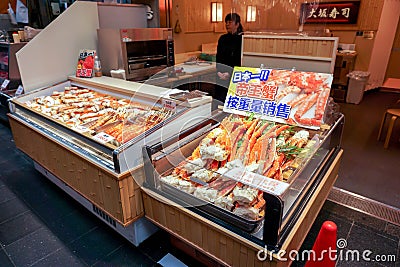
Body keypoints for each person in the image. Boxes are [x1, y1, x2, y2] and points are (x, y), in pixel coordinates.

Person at [214, 12, 244, 102]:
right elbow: (218, 56)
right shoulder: (222, 38)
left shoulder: (242, 38)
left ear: (237, 24)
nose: (227, 24)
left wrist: (230, 73)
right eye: (226, 22)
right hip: (220, 74)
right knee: (219, 100)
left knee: (231, 100)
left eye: (230, 22)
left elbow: (239, 59)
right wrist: (219, 71)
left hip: (234, 74)